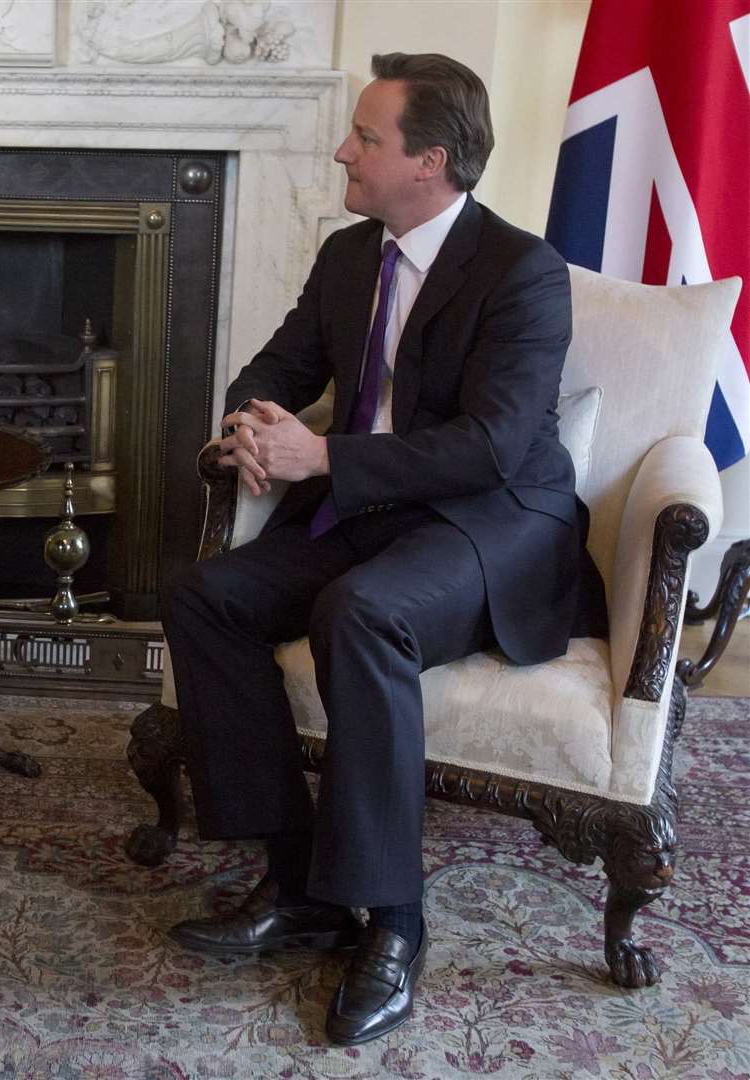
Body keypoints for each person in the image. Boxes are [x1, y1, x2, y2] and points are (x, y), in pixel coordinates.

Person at [162, 53, 606, 1044]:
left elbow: (492, 444)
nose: (342, 150)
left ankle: (394, 923)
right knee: (205, 594)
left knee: (360, 612)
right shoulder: (349, 255)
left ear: (431, 161)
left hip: (488, 525)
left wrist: (321, 452)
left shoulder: (523, 273)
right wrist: (252, 421)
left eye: (366, 137)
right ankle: (297, 882)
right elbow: (281, 361)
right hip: (367, 511)